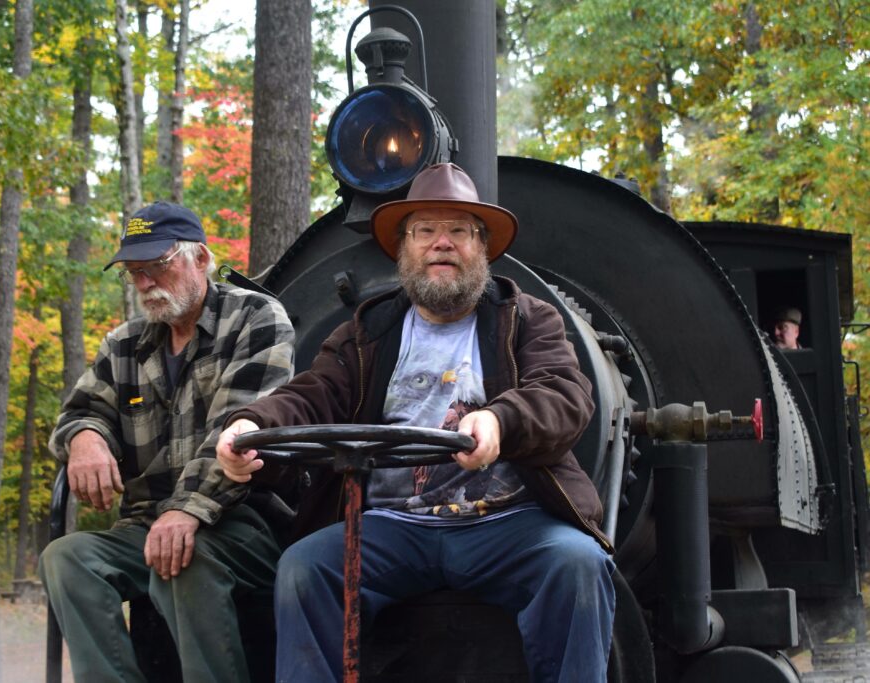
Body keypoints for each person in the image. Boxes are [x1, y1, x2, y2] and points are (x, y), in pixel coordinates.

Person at [216, 164, 616, 683]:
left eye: (459, 231)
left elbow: (564, 393)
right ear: (403, 248)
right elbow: (313, 396)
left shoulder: (527, 317)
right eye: (425, 230)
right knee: (304, 567)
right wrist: (250, 424)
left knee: (577, 564)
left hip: (506, 523)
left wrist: (499, 420)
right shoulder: (368, 330)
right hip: (391, 526)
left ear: (483, 247)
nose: (441, 243)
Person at [39, 201, 295, 683]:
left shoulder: (256, 319)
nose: (144, 282)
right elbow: (81, 410)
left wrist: (187, 510)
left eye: (158, 265)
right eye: (134, 271)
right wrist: (85, 438)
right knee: (67, 559)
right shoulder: (124, 344)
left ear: (201, 258)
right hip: (146, 524)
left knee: (186, 556)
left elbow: (240, 428)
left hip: (241, 521)